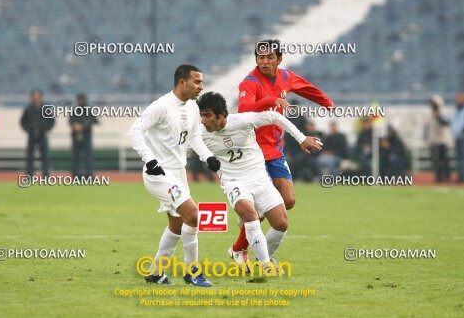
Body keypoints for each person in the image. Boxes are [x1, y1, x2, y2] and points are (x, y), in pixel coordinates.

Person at [230, 39, 333, 263]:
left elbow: (306, 88)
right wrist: (269, 100)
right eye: (260, 57)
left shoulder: (285, 77)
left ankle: (248, 239)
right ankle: (249, 252)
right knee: (264, 211)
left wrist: (327, 103)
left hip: (276, 150)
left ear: (279, 59)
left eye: (269, 57)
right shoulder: (249, 82)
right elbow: (244, 110)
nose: (264, 62)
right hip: (253, 152)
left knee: (288, 200)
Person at [198, 92, 322, 271]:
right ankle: (266, 266)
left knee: (281, 223)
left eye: (207, 115)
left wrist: (301, 138)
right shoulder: (200, 133)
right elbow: (181, 144)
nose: (203, 120)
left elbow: (274, 116)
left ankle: (257, 256)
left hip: (259, 178)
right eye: (201, 115)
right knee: (250, 215)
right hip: (234, 182)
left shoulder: (242, 121)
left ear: (222, 114)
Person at [128, 65, 221, 286]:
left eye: (201, 82)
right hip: (158, 174)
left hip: (178, 174)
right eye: (197, 82)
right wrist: (149, 160)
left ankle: (156, 272)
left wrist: (208, 157)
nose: (201, 86)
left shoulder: (192, 108)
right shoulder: (161, 106)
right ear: (182, 83)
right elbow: (135, 130)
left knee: (178, 225)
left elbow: (195, 138)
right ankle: (193, 272)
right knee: (194, 215)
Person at [20, 89, 55, 177]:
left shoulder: (46, 108)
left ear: (41, 97)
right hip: (31, 135)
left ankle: (46, 175)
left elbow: (51, 121)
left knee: (44, 155)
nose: (36, 99)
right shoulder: (28, 109)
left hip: (42, 134)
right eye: (34, 97)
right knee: (30, 155)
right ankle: (29, 175)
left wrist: (45, 128)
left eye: (37, 97)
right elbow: (23, 122)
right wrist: (29, 129)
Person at [70, 94, 98, 177]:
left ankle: (89, 174)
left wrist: (83, 126)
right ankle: (75, 174)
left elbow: (94, 120)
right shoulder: (75, 110)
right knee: (75, 156)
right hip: (76, 136)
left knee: (88, 156)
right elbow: (71, 121)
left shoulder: (89, 110)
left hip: (86, 136)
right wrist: (75, 126)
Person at [425, 95, 451, 182]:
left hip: (443, 140)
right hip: (434, 140)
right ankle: (438, 177)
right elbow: (428, 127)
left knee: (444, 160)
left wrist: (438, 116)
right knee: (436, 161)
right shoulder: (431, 113)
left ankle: (447, 177)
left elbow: (445, 122)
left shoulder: (444, 111)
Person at [451, 92, 464, 183]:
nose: (458, 100)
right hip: (457, 137)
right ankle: (461, 176)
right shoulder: (455, 110)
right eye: (458, 99)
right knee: (459, 158)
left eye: (460, 99)